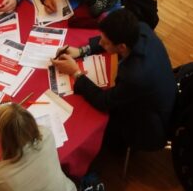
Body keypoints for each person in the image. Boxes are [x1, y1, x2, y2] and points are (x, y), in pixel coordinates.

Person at [52, 8, 176, 151]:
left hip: (149, 127)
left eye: (105, 43)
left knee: (97, 130)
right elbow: (109, 39)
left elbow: (104, 101)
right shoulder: (141, 29)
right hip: (164, 93)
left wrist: (75, 73)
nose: (100, 44)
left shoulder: (134, 76)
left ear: (122, 47)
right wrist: (82, 50)